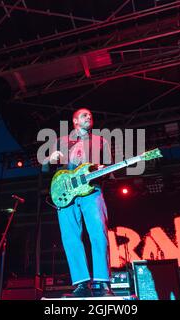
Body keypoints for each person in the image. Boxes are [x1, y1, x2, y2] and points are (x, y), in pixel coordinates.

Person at [43, 108, 114, 297]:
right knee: (70, 236)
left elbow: (109, 169)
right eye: (84, 115)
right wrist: (49, 158)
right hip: (66, 192)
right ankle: (81, 282)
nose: (89, 117)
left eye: (91, 115)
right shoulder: (61, 141)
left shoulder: (101, 141)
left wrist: (103, 168)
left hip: (92, 190)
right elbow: (44, 166)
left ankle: (103, 281)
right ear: (75, 120)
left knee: (98, 232)